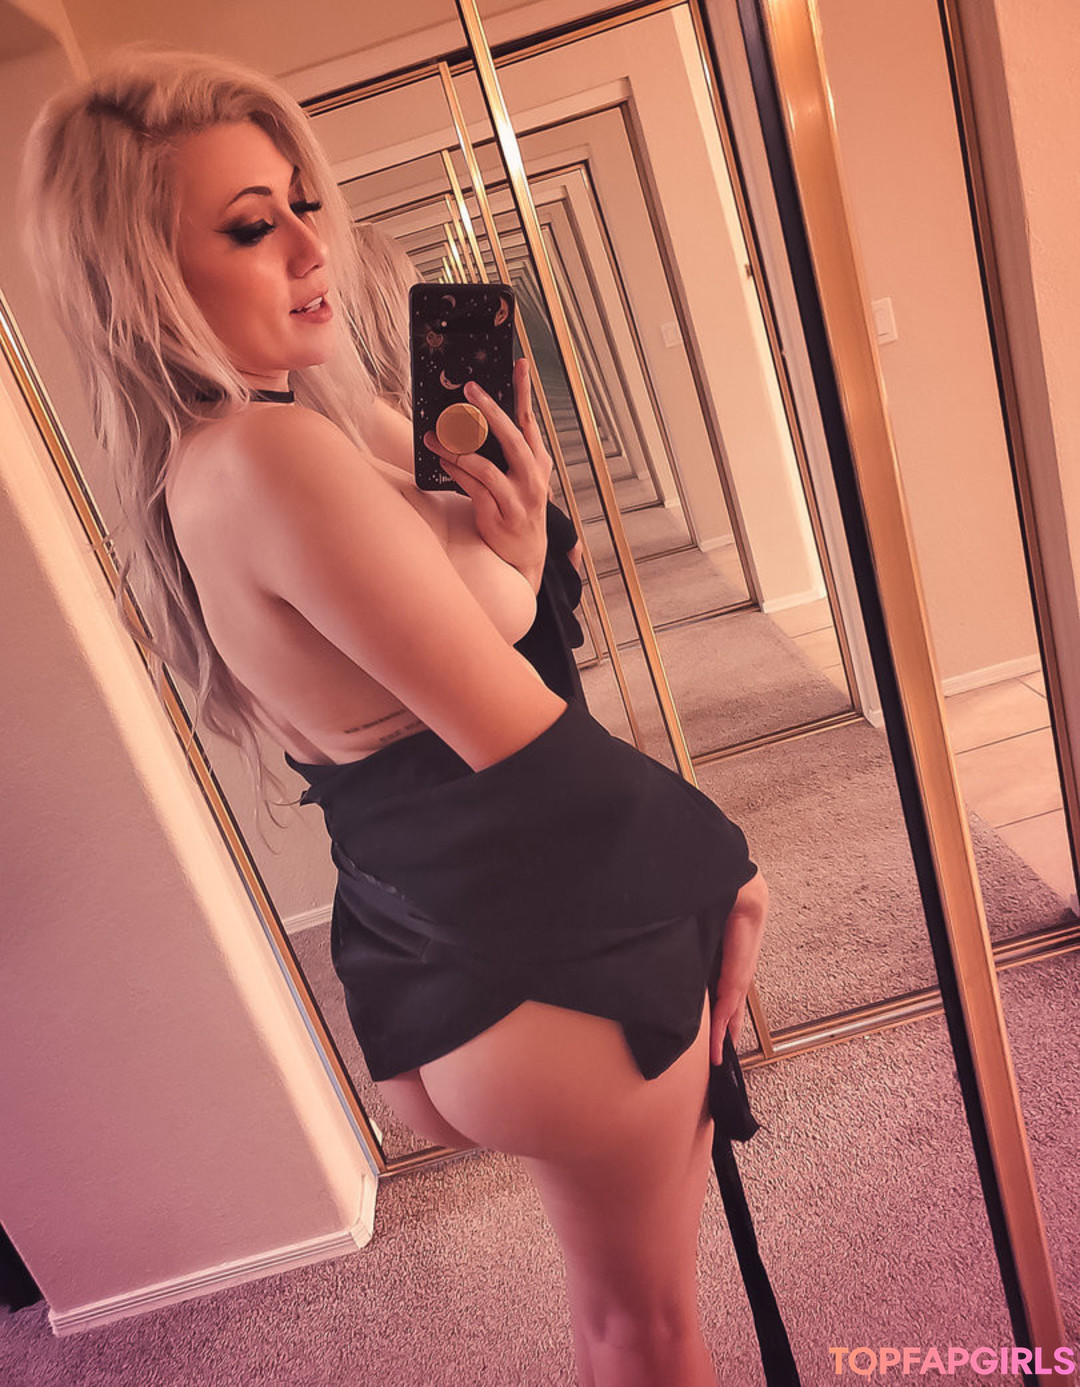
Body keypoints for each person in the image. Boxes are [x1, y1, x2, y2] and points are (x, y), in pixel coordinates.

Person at [20, 48, 796, 1387]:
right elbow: (522, 745)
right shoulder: (269, 453)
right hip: (552, 946)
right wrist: (726, 864)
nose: (309, 246)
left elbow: (472, 634)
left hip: (438, 953)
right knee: (652, 1331)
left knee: (620, 1323)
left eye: (302, 202)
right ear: (141, 277)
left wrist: (521, 534)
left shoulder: (259, 443)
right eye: (250, 227)